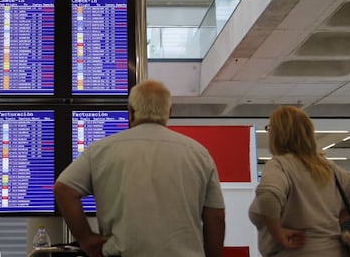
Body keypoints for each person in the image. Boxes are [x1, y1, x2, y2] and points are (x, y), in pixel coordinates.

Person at [54, 79, 226, 257]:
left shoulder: (101, 150)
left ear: (130, 111)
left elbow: (63, 189)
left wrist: (86, 239)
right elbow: (216, 216)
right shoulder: (198, 154)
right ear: (169, 112)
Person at [249, 105, 350, 257]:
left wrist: (278, 234)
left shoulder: (280, 165)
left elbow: (268, 195)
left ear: (277, 134)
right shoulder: (331, 169)